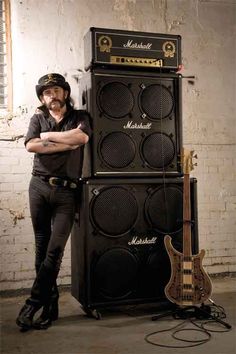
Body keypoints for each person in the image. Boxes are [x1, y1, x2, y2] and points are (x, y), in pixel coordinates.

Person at [16, 73, 92, 331]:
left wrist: (47, 136)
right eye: (47, 92)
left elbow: (81, 138)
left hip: (67, 193)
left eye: (57, 90)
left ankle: (32, 304)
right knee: (41, 250)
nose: (52, 96)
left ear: (65, 93)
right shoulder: (38, 117)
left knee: (54, 251)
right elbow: (31, 146)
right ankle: (51, 307)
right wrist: (64, 142)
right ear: (42, 97)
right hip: (38, 187)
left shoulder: (80, 117)